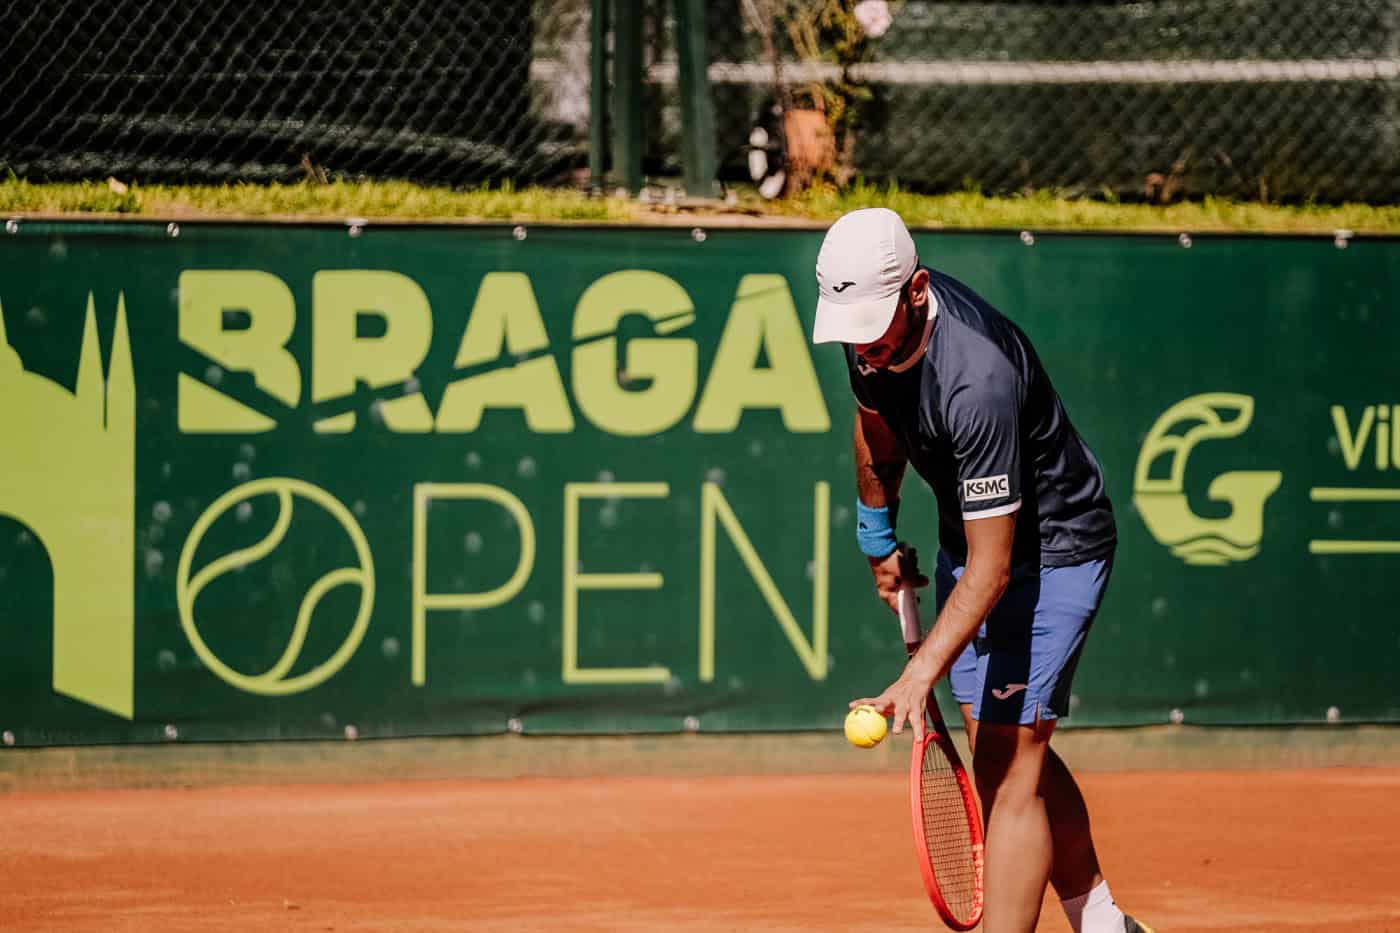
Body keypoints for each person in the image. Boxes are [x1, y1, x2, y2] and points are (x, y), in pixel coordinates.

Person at [812, 208, 1151, 933]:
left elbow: (995, 570)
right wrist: (877, 532)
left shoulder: (978, 378)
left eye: (877, 326)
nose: (864, 345)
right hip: (973, 543)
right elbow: (874, 424)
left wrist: (918, 671)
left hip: (1054, 547)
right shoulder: (865, 331)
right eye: (852, 330)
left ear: (916, 290)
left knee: (1008, 752)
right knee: (999, 741)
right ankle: (1101, 920)